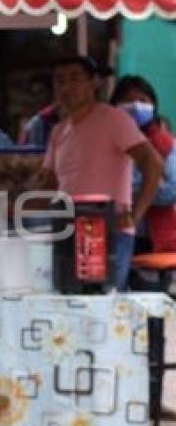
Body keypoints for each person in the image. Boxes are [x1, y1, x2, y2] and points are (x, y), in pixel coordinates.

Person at [39, 57, 162, 291]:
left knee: (105, 305)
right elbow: (49, 184)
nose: (66, 87)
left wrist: (135, 215)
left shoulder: (115, 119)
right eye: (60, 81)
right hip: (68, 230)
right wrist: (12, 206)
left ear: (94, 82)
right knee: (67, 302)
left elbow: (152, 164)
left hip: (109, 232)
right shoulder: (58, 130)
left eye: (75, 78)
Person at [110, 75, 176, 254]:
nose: (136, 106)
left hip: (153, 238)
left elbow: (171, 192)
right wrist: (150, 181)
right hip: (113, 233)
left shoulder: (167, 144)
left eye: (142, 100)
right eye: (128, 100)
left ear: (153, 105)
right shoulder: (106, 142)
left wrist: (124, 188)